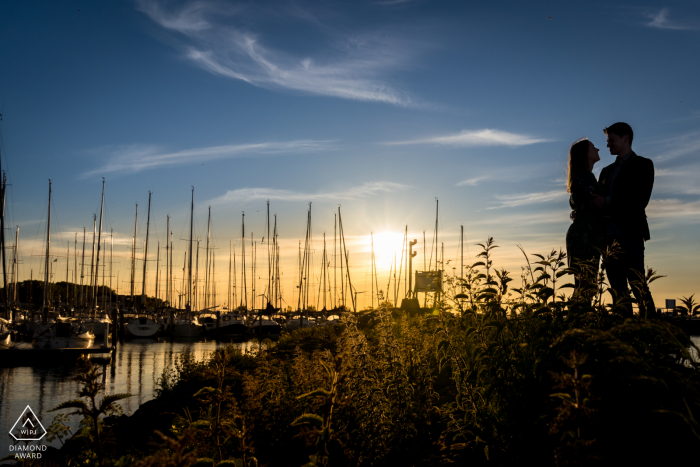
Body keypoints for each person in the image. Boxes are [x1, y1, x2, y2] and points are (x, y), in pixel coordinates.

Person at [594, 122, 656, 318]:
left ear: (625, 138)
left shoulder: (643, 165)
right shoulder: (605, 172)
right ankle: (624, 339)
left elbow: (639, 201)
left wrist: (607, 201)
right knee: (618, 292)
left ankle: (655, 338)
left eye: (611, 140)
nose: (607, 145)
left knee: (639, 287)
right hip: (608, 240)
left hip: (631, 235)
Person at [566, 138, 604, 298]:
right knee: (586, 285)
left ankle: (576, 320)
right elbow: (600, 202)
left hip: (579, 234)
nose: (598, 149)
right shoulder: (587, 178)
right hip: (585, 236)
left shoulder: (580, 178)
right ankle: (579, 321)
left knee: (582, 285)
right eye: (594, 147)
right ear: (586, 154)